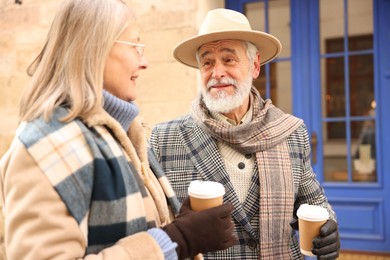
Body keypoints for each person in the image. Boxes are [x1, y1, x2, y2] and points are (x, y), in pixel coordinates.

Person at [0, 1, 236, 259]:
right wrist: (177, 240)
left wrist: (181, 228)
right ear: (94, 48)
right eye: (135, 46)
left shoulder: (123, 135)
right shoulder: (44, 146)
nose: (145, 62)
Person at [150, 8, 340, 260]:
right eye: (207, 62)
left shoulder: (291, 132)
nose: (217, 72)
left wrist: (328, 229)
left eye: (228, 59)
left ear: (255, 66)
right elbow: (152, 226)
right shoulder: (164, 139)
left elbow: (313, 203)